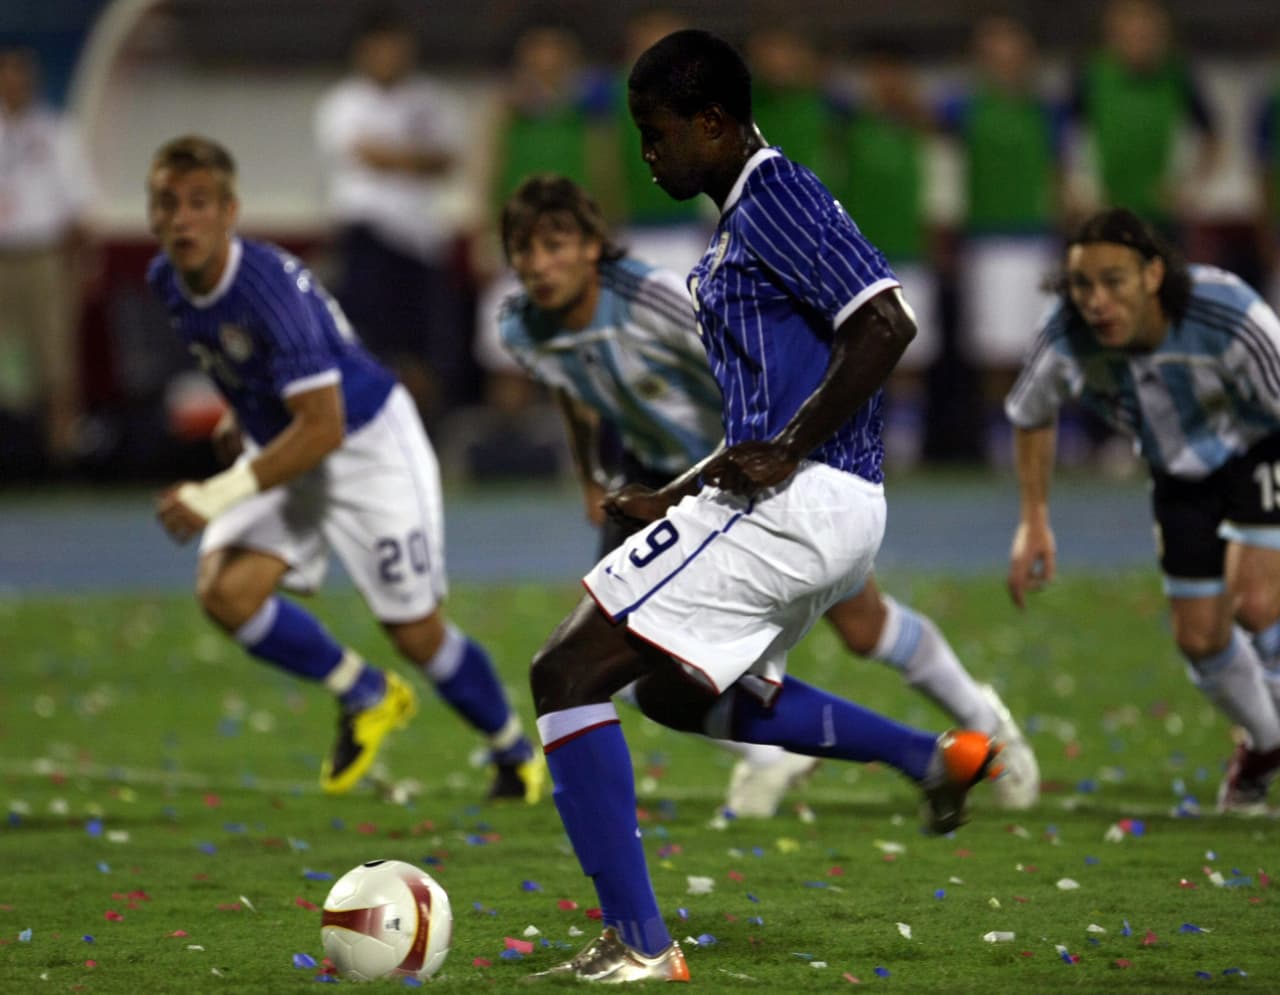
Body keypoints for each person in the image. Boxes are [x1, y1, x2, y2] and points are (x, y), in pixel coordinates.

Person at [525, 31, 1004, 983]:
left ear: (712, 122)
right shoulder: (744, 216)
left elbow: (885, 322)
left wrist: (787, 450)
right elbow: (767, 409)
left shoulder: (773, 193)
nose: (648, 152)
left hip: (807, 496)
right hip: (813, 500)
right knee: (671, 688)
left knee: (565, 672)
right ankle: (933, 755)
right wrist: (683, 487)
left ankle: (639, 944)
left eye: (657, 133)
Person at [499, 173, 1038, 818]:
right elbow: (571, 382)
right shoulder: (523, 327)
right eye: (524, 251)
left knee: (864, 627)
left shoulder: (653, 299)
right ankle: (774, 753)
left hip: (740, 480)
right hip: (654, 488)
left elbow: (745, 362)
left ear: (592, 246)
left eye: (554, 245)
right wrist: (592, 472)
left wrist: (771, 455)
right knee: (619, 662)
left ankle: (988, 727)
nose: (538, 265)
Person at [145, 135, 542, 803]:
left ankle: (514, 751)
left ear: (230, 210)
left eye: (199, 202)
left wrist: (219, 492)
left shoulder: (267, 290)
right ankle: (363, 690)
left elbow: (324, 425)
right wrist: (242, 415)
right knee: (227, 591)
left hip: (365, 446)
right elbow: (243, 364)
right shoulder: (170, 281)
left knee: (416, 632)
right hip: (286, 446)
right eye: (167, 203)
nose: (182, 218)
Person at [1006, 207, 1280, 815]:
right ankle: (1265, 748)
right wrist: (1035, 520)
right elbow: (1031, 415)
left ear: (1153, 276)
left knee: (1258, 603)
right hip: (1177, 470)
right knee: (1199, 638)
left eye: (1113, 282)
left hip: (1260, 445)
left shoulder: (1229, 314)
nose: (1096, 301)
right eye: (1083, 285)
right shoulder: (1065, 336)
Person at [313, 6, 469, 426]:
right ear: (363, 52)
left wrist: (397, 156)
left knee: (429, 347)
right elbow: (368, 154)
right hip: (369, 239)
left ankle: (426, 430)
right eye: (379, 49)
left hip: (420, 241)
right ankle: (369, 426)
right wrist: (416, 157)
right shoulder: (343, 102)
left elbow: (449, 158)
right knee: (370, 342)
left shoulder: (430, 99)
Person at [0, 45, 96, 468]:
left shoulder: (55, 132)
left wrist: (82, 258)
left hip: (43, 254)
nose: (13, 84)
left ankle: (61, 449)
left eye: (20, 76)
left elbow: (79, 200)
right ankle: (11, 446)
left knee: (54, 353)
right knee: (7, 357)